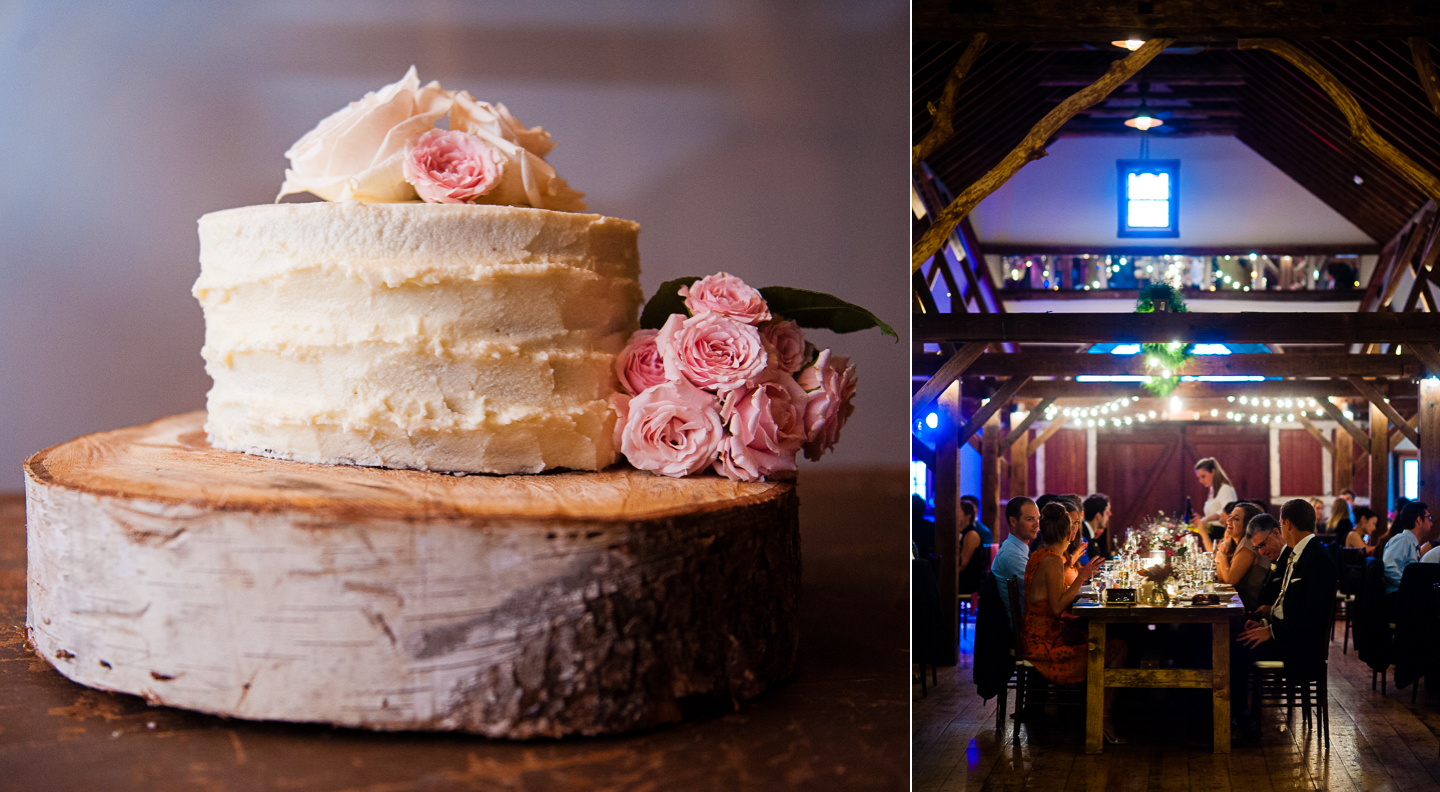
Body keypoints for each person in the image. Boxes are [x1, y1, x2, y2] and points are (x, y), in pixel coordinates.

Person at [1021, 503, 1126, 742]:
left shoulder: (1041, 554)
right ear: (1069, 534)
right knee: (1119, 647)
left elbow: (1051, 595)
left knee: (1106, 639)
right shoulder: (1052, 561)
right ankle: (1102, 718)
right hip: (1046, 646)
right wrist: (1081, 575)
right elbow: (1058, 607)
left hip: (1038, 635)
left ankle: (1094, 713)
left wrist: (1071, 567)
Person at [1236, 499, 1338, 741]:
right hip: (1288, 635)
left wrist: (1271, 632)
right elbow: (1293, 606)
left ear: (1287, 524)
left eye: (1281, 524)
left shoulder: (1317, 558)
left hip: (1299, 647)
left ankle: (1240, 721)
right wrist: (1268, 619)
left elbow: (1314, 616)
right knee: (1236, 637)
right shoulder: (1300, 554)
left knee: (1235, 648)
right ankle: (1234, 716)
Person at [994, 497, 1038, 627]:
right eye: (1030, 519)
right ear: (1013, 521)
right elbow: (1040, 589)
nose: (1037, 525)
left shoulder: (1017, 549)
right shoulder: (1012, 555)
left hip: (1031, 620)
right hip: (1026, 628)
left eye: (1038, 518)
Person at [1228, 514, 1281, 613]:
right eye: (1257, 548)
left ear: (1276, 533)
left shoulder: (1291, 558)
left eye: (1262, 544)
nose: (1261, 552)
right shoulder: (1276, 558)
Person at [1382, 501, 1434, 600]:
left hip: (1403, 595)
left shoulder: (1410, 541)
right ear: (1419, 520)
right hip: (1397, 597)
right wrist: (1409, 587)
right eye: (1429, 518)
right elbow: (1389, 568)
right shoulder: (1402, 539)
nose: (1431, 522)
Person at [1192, 458, 1238, 539]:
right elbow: (1214, 513)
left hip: (1223, 533)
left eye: (1203, 476)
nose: (1201, 480)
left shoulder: (1225, 488)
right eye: (1199, 477)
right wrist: (1201, 518)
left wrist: (1206, 519)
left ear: (1213, 472)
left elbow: (1228, 511)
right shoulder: (1212, 490)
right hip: (1212, 532)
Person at [1214, 502, 1262, 580]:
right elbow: (1221, 580)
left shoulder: (1248, 544)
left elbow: (1230, 580)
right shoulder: (1236, 544)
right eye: (1230, 516)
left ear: (1247, 525)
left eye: (1236, 519)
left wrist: (1221, 556)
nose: (1228, 520)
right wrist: (1224, 546)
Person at [957, 499, 991, 607]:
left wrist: (948, 576)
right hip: (962, 577)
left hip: (968, 581)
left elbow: (963, 564)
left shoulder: (972, 534)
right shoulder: (960, 533)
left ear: (968, 515)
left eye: (958, 511)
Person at [1082, 493, 1112, 562]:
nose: (1110, 515)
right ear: (1098, 515)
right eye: (1106, 513)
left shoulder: (1089, 534)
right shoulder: (1083, 535)